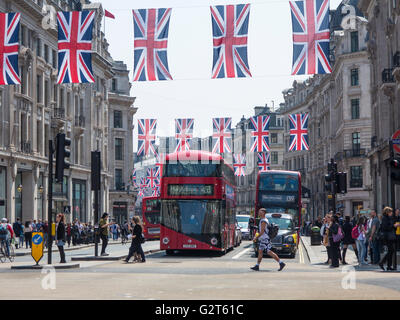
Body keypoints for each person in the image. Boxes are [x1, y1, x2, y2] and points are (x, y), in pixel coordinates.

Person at [379, 207, 397, 271]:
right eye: (390, 212)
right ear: (387, 212)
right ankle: (382, 263)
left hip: (390, 237)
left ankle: (388, 266)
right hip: (387, 237)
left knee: (391, 251)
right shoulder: (385, 218)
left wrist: (394, 226)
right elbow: (385, 228)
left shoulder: (389, 218)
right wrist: (393, 226)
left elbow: (390, 227)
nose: (392, 213)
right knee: (391, 250)